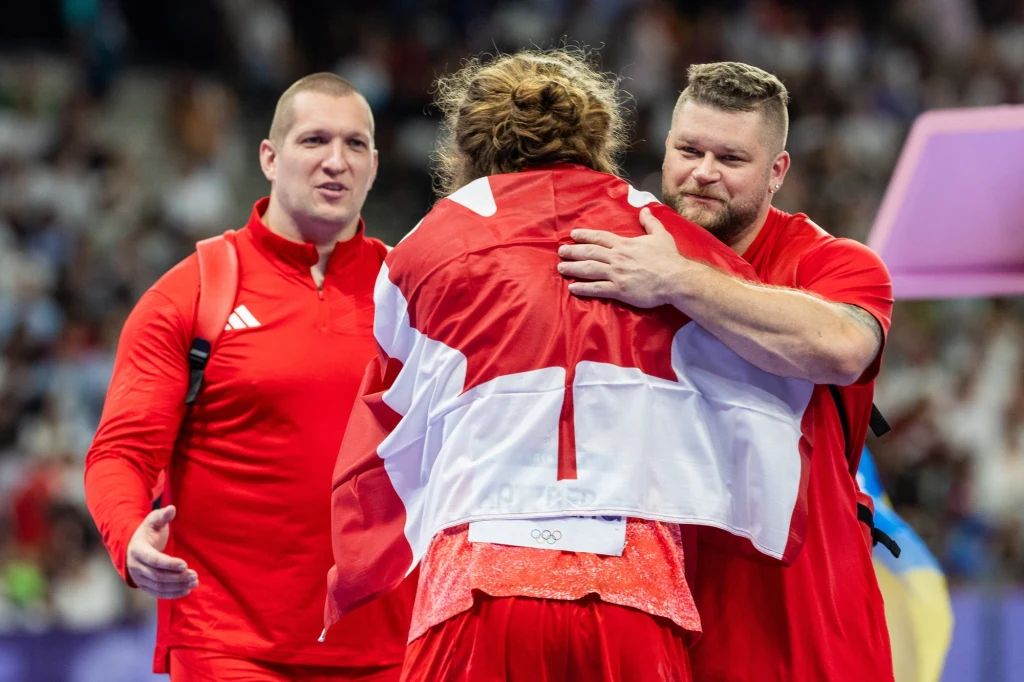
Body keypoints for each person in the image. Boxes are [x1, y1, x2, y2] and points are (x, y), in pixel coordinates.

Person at [324, 50, 817, 682]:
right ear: (596, 138)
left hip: (478, 583)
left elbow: (391, 403)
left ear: (470, 146)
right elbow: (771, 363)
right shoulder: (662, 235)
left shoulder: (426, 244)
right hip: (633, 591)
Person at [557, 61, 896, 682]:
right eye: (689, 150)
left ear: (777, 172)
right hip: (657, 609)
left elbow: (843, 348)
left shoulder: (837, 264)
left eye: (732, 159)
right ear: (665, 147)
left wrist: (677, 280)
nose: (704, 173)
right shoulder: (621, 255)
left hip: (803, 616)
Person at [84, 73, 416, 681]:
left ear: (375, 165)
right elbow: (121, 452)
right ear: (269, 157)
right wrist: (130, 536)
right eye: (314, 140)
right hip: (227, 647)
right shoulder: (191, 292)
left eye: (356, 145)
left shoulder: (416, 294)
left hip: (391, 650)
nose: (335, 163)